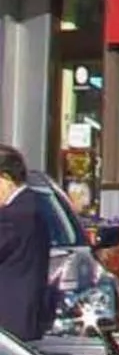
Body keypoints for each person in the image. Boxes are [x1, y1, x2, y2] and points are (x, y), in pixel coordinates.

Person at [0, 146, 51, 343]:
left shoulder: (13, 217)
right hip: (23, 318)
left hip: (9, 321)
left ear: (5, 178)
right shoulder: (32, 204)